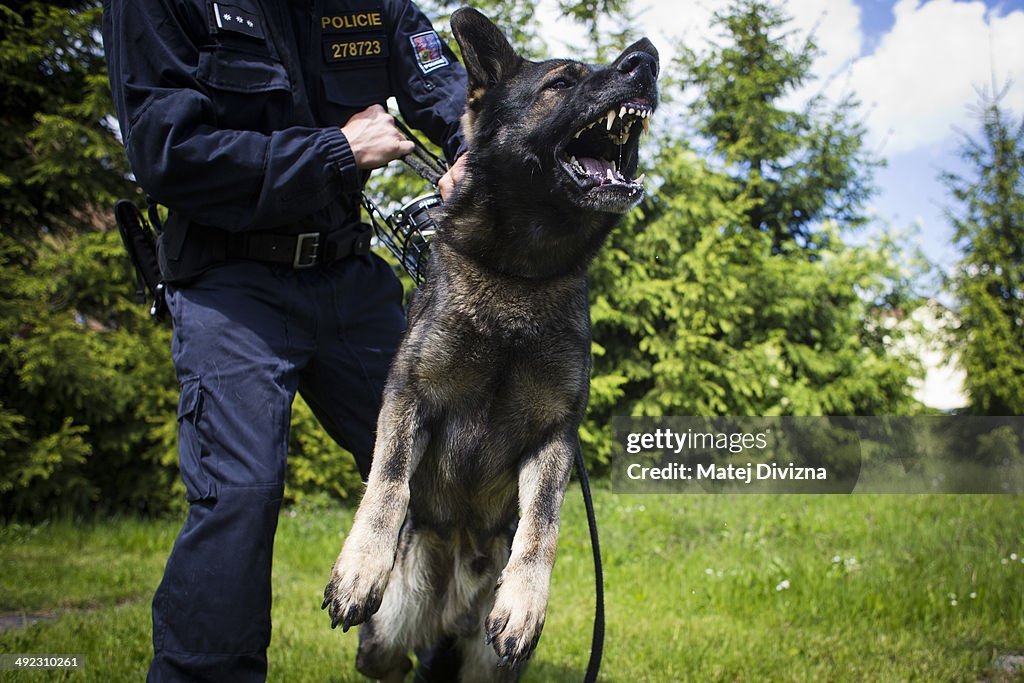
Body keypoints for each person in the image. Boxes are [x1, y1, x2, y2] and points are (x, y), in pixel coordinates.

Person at [101, 0, 468, 680]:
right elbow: (165, 150)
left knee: (446, 464)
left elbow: (441, 82)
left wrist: (469, 152)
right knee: (240, 491)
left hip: (345, 270)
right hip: (228, 278)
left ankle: (436, 656)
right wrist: (338, 150)